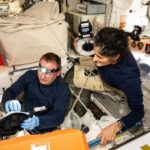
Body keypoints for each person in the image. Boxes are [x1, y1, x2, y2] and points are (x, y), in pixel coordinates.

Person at [92, 27, 144, 144]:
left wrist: (117, 125)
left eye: (99, 56)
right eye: (94, 53)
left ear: (115, 57)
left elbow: (138, 112)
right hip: (106, 73)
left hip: (113, 83)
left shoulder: (129, 80)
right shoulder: (112, 43)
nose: (94, 58)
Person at [1, 52, 71, 134]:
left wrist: (38, 122)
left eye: (48, 72)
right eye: (41, 69)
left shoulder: (62, 90)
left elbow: (58, 117)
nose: (42, 76)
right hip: (25, 115)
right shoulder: (30, 76)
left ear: (58, 73)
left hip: (45, 126)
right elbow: (11, 91)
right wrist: (8, 101)